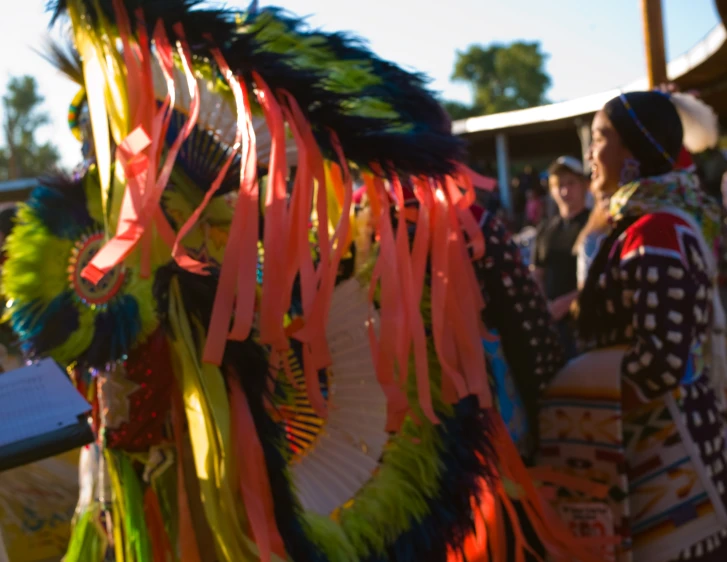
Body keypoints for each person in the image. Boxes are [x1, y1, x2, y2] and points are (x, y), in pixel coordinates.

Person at [538, 90, 727, 562]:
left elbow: (661, 361)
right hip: (653, 449)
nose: (589, 154)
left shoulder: (655, 230)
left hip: (672, 459)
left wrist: (576, 391)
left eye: (600, 138)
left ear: (633, 150)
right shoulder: (643, 222)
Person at [531, 156, 590, 357]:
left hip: (584, 324)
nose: (565, 191)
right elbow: (537, 274)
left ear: (584, 185)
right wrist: (543, 306)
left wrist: (566, 303)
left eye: (571, 183)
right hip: (551, 325)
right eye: (559, 185)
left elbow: (601, 275)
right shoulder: (545, 229)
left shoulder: (595, 226)